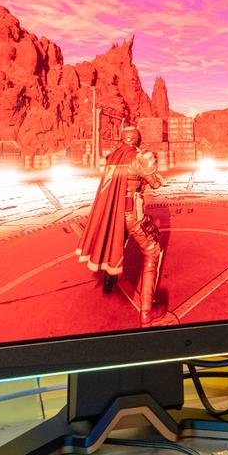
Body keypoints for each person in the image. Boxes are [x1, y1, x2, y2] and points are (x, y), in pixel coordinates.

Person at [76, 124, 164, 317]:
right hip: (132, 215)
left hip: (114, 212)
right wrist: (153, 168)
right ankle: (147, 312)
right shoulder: (138, 158)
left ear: (122, 138)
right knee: (153, 252)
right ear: (137, 139)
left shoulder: (112, 158)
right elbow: (156, 184)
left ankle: (109, 283)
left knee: (114, 242)